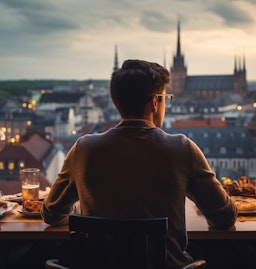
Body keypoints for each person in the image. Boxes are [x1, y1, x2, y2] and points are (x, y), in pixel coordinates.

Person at [41, 59, 238, 269]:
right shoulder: (182, 148)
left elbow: (51, 213)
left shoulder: (83, 149)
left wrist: (84, 206)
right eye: (165, 99)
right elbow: (224, 217)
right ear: (155, 102)